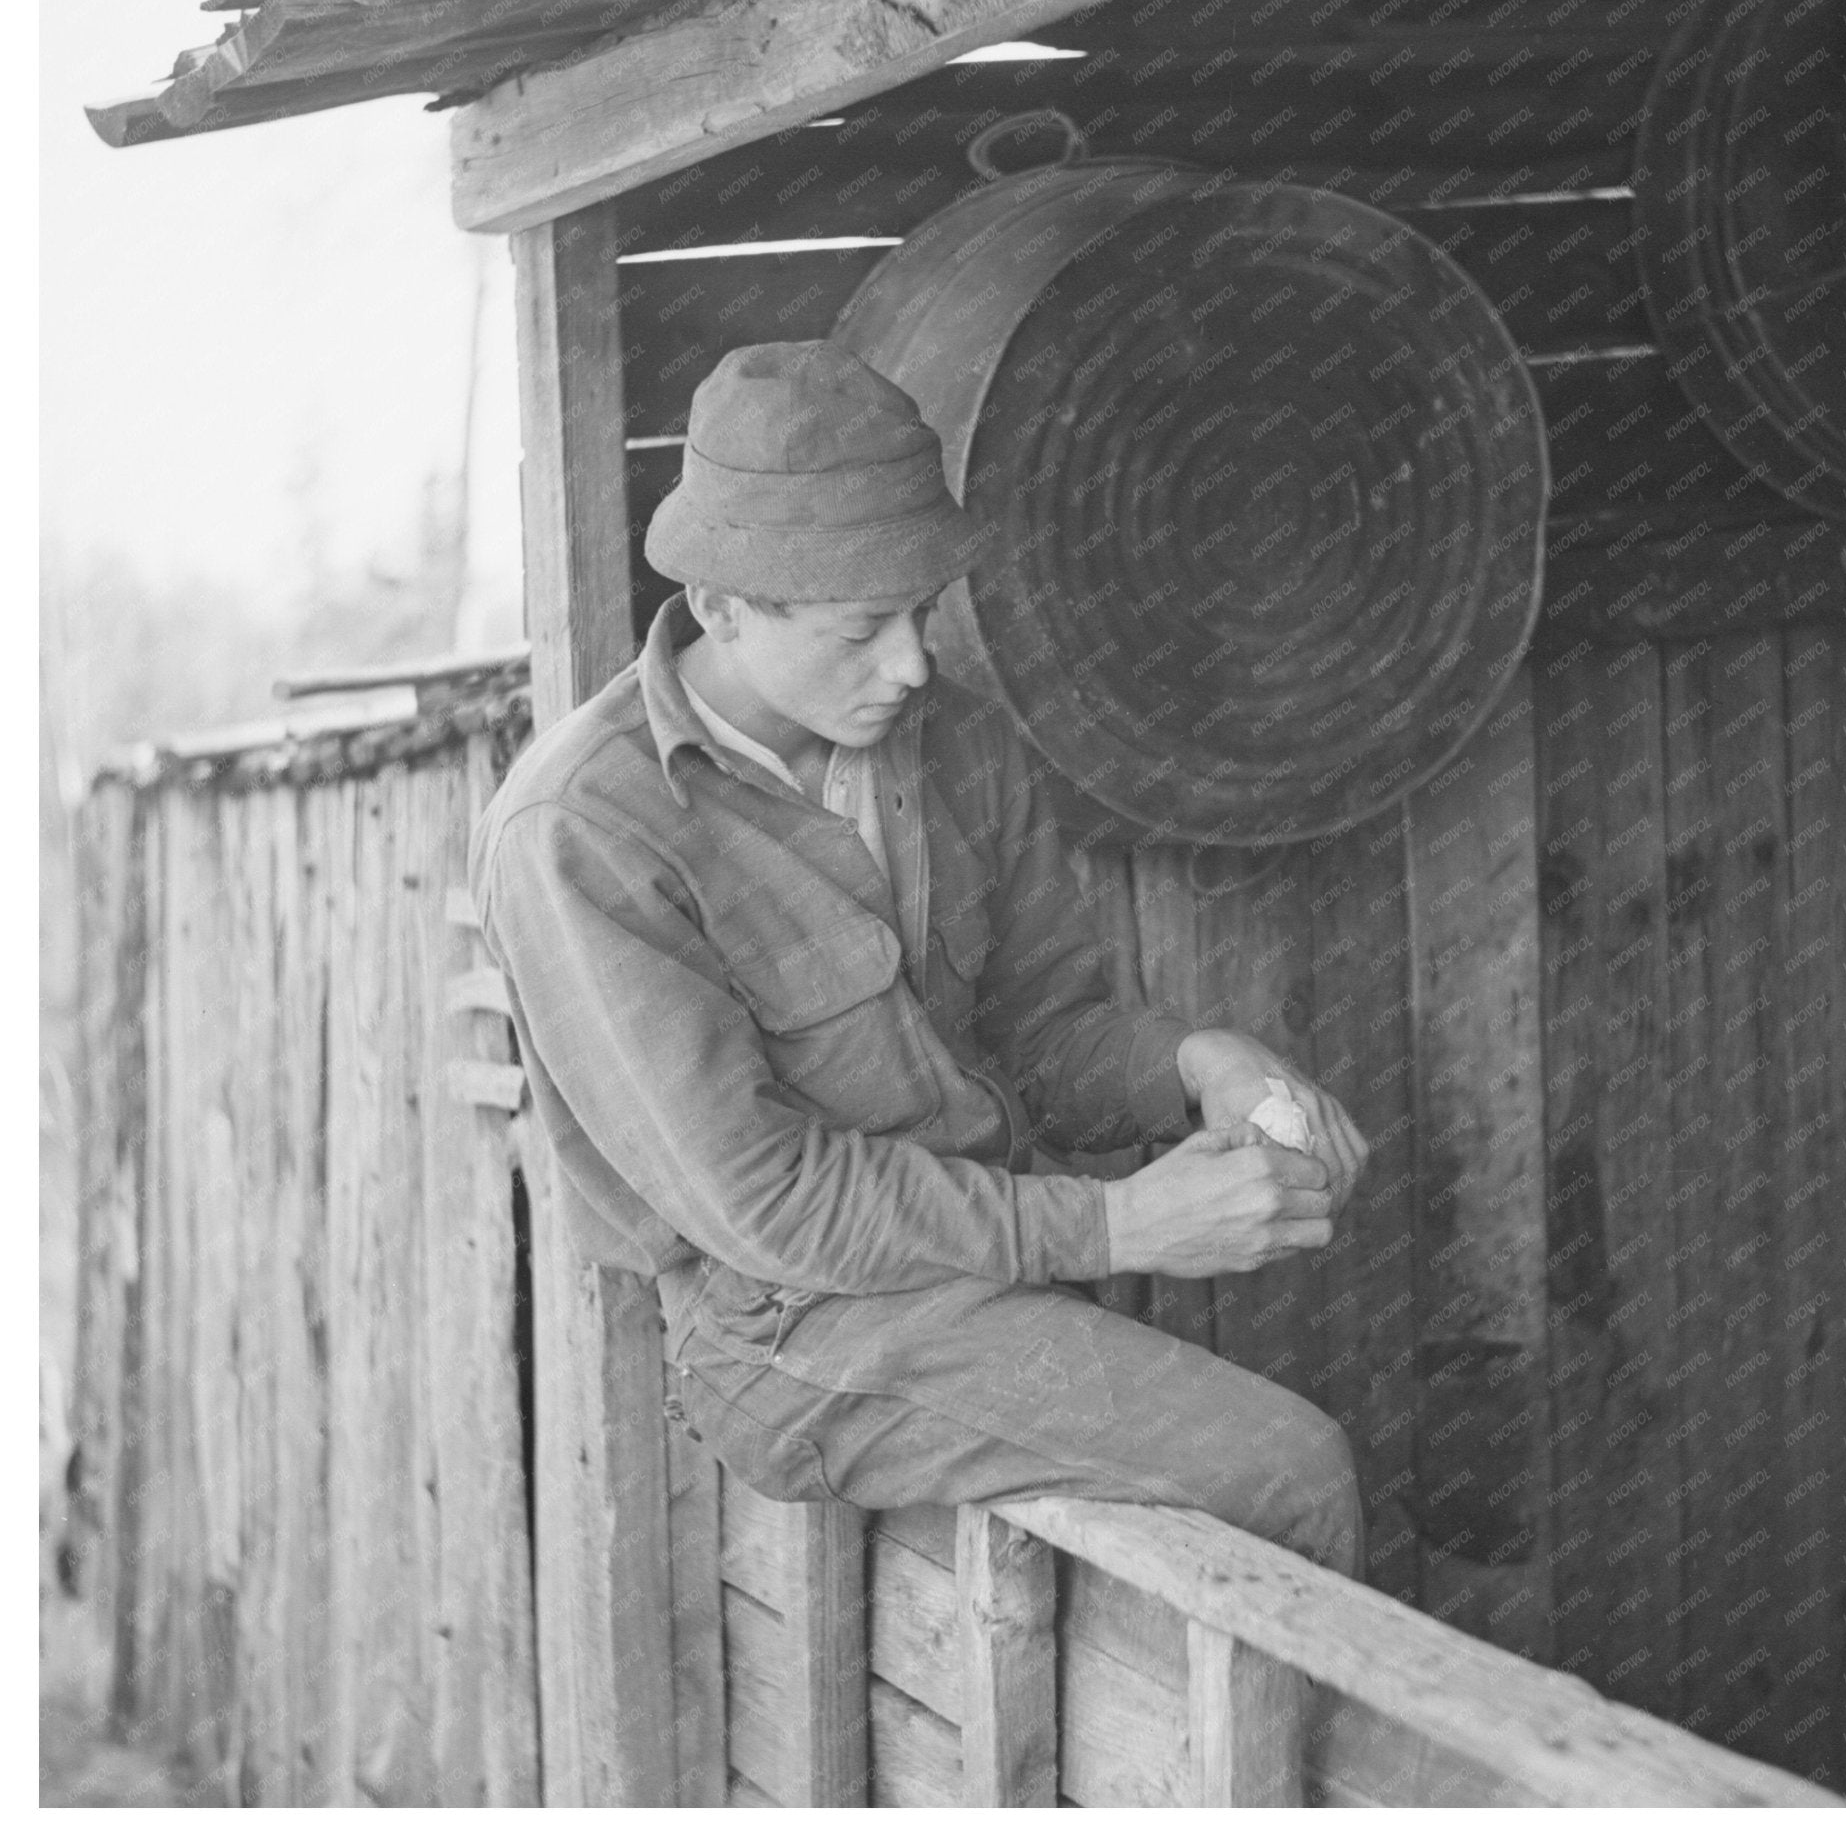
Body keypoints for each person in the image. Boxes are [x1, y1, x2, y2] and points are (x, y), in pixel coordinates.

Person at [471, 339, 1368, 1575]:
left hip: (978, 1264)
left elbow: (1046, 1037)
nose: (910, 663)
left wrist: (1198, 1063)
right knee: (1289, 1474)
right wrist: (1111, 1226)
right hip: (785, 1327)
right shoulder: (584, 829)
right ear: (724, 607)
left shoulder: (957, 746)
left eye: (920, 612)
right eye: (858, 630)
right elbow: (770, 1204)